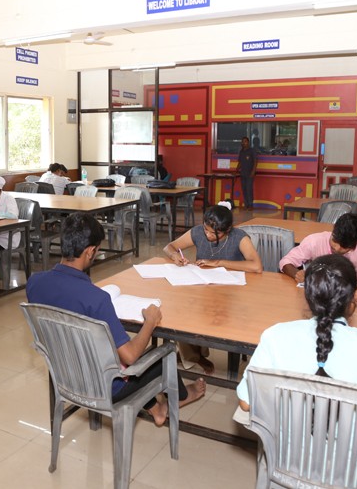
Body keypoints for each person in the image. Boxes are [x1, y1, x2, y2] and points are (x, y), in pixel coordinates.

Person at [235, 254, 357, 489]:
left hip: (288, 465)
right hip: (355, 475)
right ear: (355, 296)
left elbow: (246, 404)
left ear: (307, 296)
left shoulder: (275, 335)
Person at [27, 212, 206, 426]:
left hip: (64, 376)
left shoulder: (34, 282)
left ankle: (156, 408)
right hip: (105, 387)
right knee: (164, 354)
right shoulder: (96, 298)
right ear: (91, 251)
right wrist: (149, 321)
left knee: (112, 345)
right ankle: (183, 396)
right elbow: (130, 357)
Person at [163, 201, 263, 374]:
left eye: (214, 233)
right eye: (206, 230)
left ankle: (194, 355)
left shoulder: (239, 237)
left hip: (232, 292)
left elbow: (256, 266)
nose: (208, 235)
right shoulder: (198, 232)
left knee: (217, 315)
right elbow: (169, 246)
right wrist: (174, 256)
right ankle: (194, 355)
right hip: (204, 287)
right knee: (182, 312)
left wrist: (219, 262)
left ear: (228, 230)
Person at [279, 212, 357, 288]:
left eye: (344, 246)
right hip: (318, 294)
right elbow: (285, 262)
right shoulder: (315, 241)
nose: (336, 248)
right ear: (333, 231)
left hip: (348, 297)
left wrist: (354, 282)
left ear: (355, 244)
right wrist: (297, 274)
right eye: (334, 240)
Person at [238, 136, 257, 209]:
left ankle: (251, 205)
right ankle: (246, 205)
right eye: (242, 142)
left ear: (248, 142)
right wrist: (236, 171)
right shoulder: (241, 151)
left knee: (249, 189)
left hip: (250, 173)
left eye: (245, 141)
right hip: (242, 173)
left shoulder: (252, 151)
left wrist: (253, 171)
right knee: (244, 189)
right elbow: (239, 162)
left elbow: (255, 162)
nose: (243, 143)